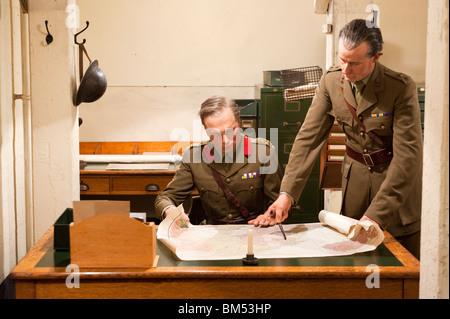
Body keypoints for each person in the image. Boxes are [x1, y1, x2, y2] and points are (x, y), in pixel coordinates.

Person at [249, 19, 423, 259]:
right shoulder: (331, 82)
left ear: (376, 57)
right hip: (356, 185)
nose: (345, 70)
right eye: (342, 60)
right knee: (356, 268)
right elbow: (308, 139)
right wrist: (286, 195)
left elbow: (408, 157)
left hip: (396, 191)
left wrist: (376, 215)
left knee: (403, 272)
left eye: (354, 63)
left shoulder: (400, 88)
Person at [155, 95, 283, 225]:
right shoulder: (195, 156)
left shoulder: (263, 152)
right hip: (212, 233)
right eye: (215, 134)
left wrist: (271, 216)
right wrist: (169, 210)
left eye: (230, 131)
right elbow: (165, 198)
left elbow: (280, 202)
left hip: (254, 230)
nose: (225, 141)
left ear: (238, 122)